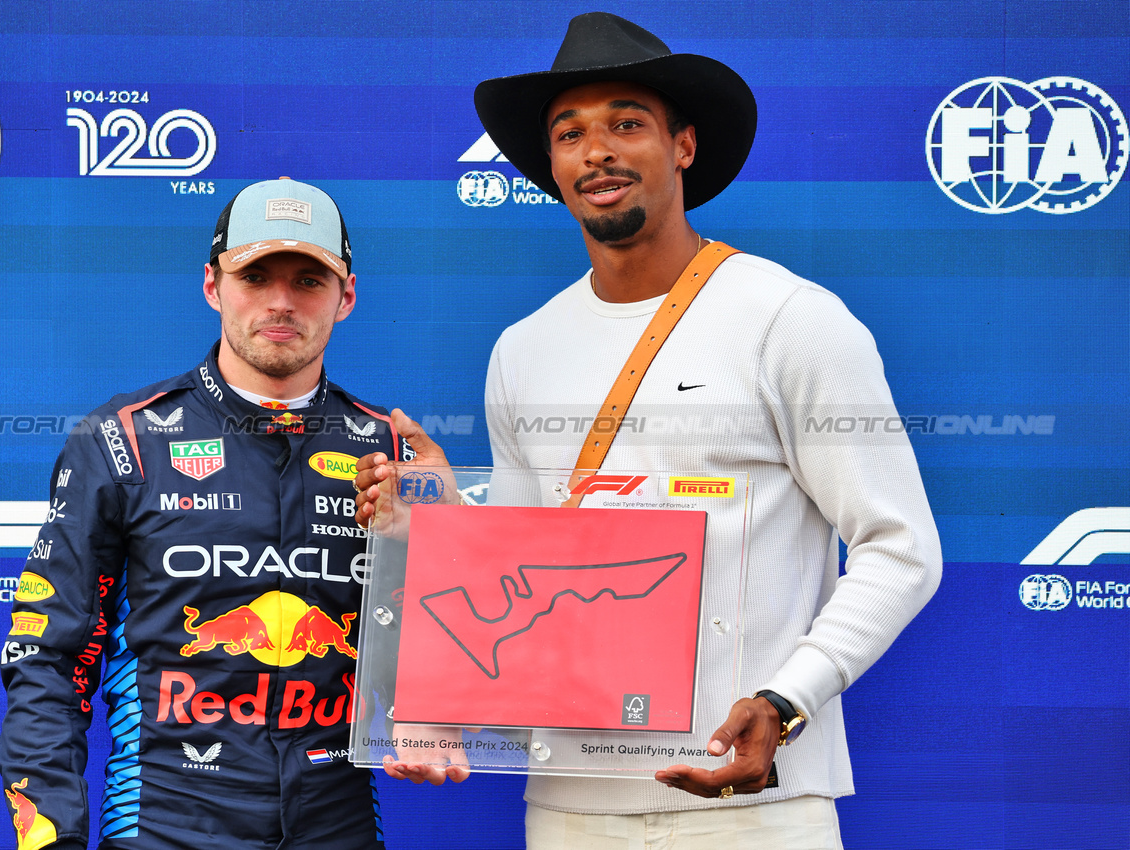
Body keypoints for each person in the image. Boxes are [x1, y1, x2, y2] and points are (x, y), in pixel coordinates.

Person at [354, 12, 941, 849]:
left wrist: (787, 701)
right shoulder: (523, 348)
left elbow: (900, 546)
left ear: (683, 147)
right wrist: (444, 521)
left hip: (754, 809)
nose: (596, 150)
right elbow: (533, 574)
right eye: (570, 133)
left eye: (626, 123)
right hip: (569, 807)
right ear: (551, 167)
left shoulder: (788, 320)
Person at [0, 178, 410, 850]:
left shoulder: (391, 453)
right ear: (214, 286)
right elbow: (47, 659)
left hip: (336, 825)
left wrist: (444, 531)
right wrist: (50, 837)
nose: (280, 302)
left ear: (347, 298)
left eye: (309, 280)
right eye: (255, 276)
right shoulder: (122, 439)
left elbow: (456, 645)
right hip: (168, 825)